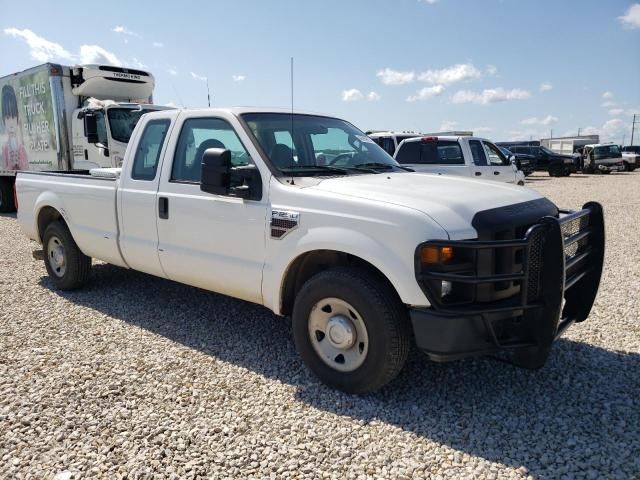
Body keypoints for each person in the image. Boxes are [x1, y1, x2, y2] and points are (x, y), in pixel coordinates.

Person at [1, 84, 28, 170]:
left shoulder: (22, 149)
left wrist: (20, 164)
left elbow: (27, 170)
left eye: (13, 117)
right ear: (3, 120)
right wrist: (9, 166)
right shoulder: (4, 150)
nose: (11, 123)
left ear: (18, 117)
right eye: (8, 118)